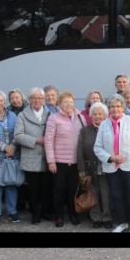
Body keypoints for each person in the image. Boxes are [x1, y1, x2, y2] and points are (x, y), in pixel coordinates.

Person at [94, 94, 130, 232]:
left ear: (123, 107)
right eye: (112, 106)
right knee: (117, 196)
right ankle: (121, 223)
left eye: (118, 106)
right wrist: (111, 158)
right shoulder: (104, 125)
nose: (115, 109)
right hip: (112, 167)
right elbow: (97, 148)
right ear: (108, 108)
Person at [45, 91, 86, 227]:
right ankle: (59, 216)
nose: (69, 105)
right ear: (59, 104)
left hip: (76, 162)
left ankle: (73, 214)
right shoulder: (54, 118)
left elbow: (84, 139)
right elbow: (48, 140)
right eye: (65, 102)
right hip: (59, 162)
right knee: (58, 190)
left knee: (73, 190)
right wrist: (51, 161)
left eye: (70, 102)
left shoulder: (80, 117)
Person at [14, 88, 51, 224]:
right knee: (33, 189)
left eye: (40, 98)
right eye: (34, 98)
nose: (37, 100)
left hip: (47, 157)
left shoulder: (50, 114)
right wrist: (36, 140)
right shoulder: (22, 115)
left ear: (44, 100)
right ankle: (35, 213)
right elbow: (18, 136)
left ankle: (45, 212)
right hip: (30, 157)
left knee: (46, 187)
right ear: (29, 100)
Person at [77, 102, 113, 228]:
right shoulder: (84, 131)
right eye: (95, 114)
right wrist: (81, 170)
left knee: (106, 193)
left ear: (105, 115)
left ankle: (107, 217)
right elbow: (80, 151)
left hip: (106, 167)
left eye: (100, 114)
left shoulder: (110, 128)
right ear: (91, 116)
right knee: (93, 193)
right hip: (90, 168)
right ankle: (96, 218)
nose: (97, 116)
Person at [0, 91, 20, 225]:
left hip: (12, 157)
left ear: (5, 102)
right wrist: (4, 147)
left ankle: (12, 212)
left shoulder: (13, 115)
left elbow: (18, 133)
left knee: (11, 185)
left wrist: (12, 147)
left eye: (1, 100)